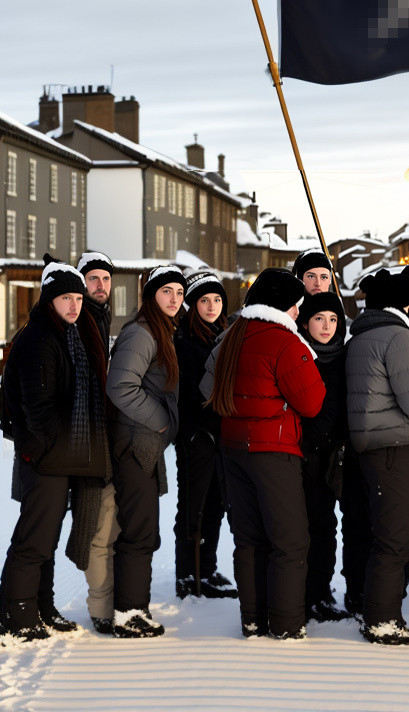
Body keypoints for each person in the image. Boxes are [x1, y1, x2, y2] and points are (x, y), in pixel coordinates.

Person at [202, 268, 326, 639]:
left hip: (232, 447)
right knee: (290, 540)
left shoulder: (230, 336)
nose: (299, 315)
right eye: (297, 307)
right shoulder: (286, 343)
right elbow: (313, 401)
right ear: (283, 306)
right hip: (274, 450)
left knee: (249, 538)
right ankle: (286, 624)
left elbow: (206, 387)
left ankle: (253, 619)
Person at [0, 261, 111, 643]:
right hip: (45, 459)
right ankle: (18, 616)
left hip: (58, 457)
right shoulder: (41, 340)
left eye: (78, 298)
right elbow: (38, 408)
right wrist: (44, 451)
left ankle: (41, 607)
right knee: (33, 541)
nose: (75, 305)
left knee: (45, 538)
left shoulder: (67, 335)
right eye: (67, 298)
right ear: (50, 300)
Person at [346, 265, 409, 645]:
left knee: (379, 532)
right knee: (395, 538)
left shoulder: (360, 335)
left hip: (369, 445)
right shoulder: (398, 337)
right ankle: (382, 618)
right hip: (395, 446)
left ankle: (375, 607)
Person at [104, 265, 186, 637]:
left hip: (145, 444)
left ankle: (134, 608)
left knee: (144, 528)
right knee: (139, 531)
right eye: (166, 291)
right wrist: (162, 421)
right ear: (151, 295)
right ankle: (129, 613)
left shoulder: (161, 331)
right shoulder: (141, 333)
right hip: (136, 443)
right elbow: (120, 386)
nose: (174, 299)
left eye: (179, 293)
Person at [298, 291, 362, 622]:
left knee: (329, 526)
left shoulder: (345, 354)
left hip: (338, 454)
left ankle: (322, 592)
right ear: (306, 321)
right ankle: (309, 594)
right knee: (310, 524)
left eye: (333, 319)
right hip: (306, 454)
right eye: (319, 318)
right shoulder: (298, 352)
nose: (326, 326)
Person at [172, 271, 237, 600]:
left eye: (216, 300)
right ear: (192, 304)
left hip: (219, 437)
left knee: (215, 505)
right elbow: (186, 395)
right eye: (204, 300)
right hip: (196, 437)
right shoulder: (185, 340)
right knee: (193, 507)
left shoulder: (222, 334)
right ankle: (188, 575)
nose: (211, 306)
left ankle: (206, 569)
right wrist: (194, 433)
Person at [73, 249, 122, 631]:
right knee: (97, 526)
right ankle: (101, 609)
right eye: (93, 279)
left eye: (106, 279)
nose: (101, 286)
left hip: (101, 438)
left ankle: (105, 602)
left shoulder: (99, 320)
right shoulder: (80, 321)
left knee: (107, 523)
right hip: (86, 443)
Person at [292, 248, 336, 337]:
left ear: (329, 281)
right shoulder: (291, 312)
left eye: (324, 277)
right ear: (300, 279)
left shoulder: (337, 309)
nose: (318, 283)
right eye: (311, 276)